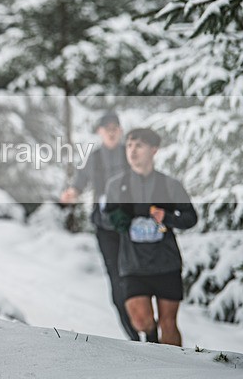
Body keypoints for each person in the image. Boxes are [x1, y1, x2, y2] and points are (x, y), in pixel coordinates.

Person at [102, 128, 197, 346]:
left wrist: (168, 217)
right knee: (142, 321)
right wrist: (117, 219)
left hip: (166, 264)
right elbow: (104, 218)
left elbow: (191, 218)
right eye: (129, 145)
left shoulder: (169, 185)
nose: (132, 151)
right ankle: (152, 344)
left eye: (139, 146)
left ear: (154, 150)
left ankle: (178, 369)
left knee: (169, 324)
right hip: (133, 265)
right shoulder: (116, 185)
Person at [60, 112, 139, 341]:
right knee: (116, 281)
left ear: (121, 131)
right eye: (107, 128)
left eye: (115, 127)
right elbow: (79, 183)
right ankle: (135, 337)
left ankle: (150, 333)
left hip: (132, 224)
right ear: (100, 132)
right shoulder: (94, 158)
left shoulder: (131, 154)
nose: (111, 131)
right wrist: (70, 193)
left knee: (136, 279)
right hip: (105, 227)